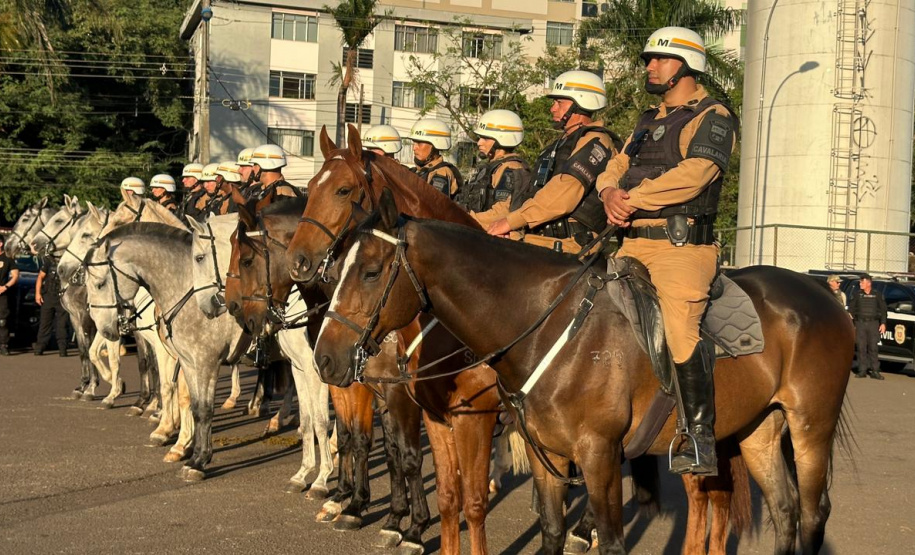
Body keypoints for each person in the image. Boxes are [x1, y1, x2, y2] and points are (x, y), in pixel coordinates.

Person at [595, 27, 738, 475]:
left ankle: (699, 437)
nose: (649, 67)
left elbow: (696, 173)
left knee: (679, 329)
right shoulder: (646, 120)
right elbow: (616, 165)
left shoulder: (714, 115)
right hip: (631, 241)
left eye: (658, 59)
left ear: (686, 65)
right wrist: (607, 193)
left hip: (681, 249)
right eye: (647, 60)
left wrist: (632, 198)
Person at [477, 70, 618, 254]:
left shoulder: (596, 141)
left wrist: (510, 222)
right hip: (542, 239)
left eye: (559, 102)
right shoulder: (556, 146)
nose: (553, 108)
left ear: (581, 103)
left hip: (572, 246)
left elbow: (563, 195)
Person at [461, 109, 531, 228]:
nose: (479, 143)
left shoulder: (511, 169)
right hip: (482, 233)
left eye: (485, 138)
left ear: (502, 139)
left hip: (499, 239)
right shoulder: (492, 167)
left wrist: (464, 218)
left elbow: (502, 213)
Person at [409, 119, 463, 199]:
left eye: (419, 143)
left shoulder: (441, 172)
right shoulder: (418, 171)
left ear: (435, 145)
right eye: (414, 143)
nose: (414, 148)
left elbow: (434, 208)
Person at [847, 274, 887, 380]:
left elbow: (883, 310)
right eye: (860, 282)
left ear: (869, 283)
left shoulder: (877, 295)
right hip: (860, 324)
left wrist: (883, 323)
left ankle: (875, 370)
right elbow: (851, 309)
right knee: (861, 347)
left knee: (873, 348)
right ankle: (862, 370)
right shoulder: (857, 295)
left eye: (862, 282)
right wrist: (852, 320)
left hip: (873, 324)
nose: (860, 284)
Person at [34, 252, 68, 357]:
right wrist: (37, 294)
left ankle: (62, 349)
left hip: (62, 298)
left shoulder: (68, 260)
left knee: (62, 325)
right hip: (48, 296)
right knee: (45, 324)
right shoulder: (49, 261)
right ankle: (40, 347)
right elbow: (40, 277)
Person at [0, 234, 20, 356]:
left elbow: (16, 275)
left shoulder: (7, 259)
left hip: (2, 294)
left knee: (2, 321)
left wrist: (5, 287)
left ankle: (3, 345)